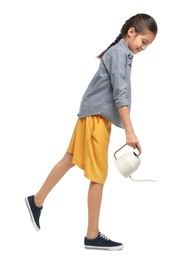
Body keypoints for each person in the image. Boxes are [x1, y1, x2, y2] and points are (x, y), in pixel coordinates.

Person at [25, 13, 158, 251]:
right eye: (144, 41)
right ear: (131, 33)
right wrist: (130, 131)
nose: (145, 48)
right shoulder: (119, 54)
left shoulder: (122, 53)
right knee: (98, 175)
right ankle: (92, 234)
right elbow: (120, 96)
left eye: (148, 44)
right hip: (95, 117)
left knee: (70, 159)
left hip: (92, 114)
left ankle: (36, 201)